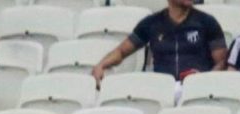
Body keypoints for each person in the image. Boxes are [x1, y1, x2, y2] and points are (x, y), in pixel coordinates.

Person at [92, 0, 227, 87]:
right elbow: (121, 51)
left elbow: (222, 62)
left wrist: (203, 80)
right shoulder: (151, 23)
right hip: (162, 89)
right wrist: (101, 65)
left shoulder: (207, 22)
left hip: (195, 90)